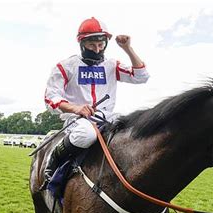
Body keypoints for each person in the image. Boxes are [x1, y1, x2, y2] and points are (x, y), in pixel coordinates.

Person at [42, 17, 149, 184]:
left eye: (101, 45)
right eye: (92, 45)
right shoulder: (65, 66)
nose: (97, 50)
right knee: (86, 134)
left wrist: (128, 49)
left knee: (133, 129)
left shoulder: (112, 65)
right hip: (77, 120)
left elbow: (141, 76)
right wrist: (75, 108)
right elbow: (51, 97)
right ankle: (53, 160)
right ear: (81, 44)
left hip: (106, 117)